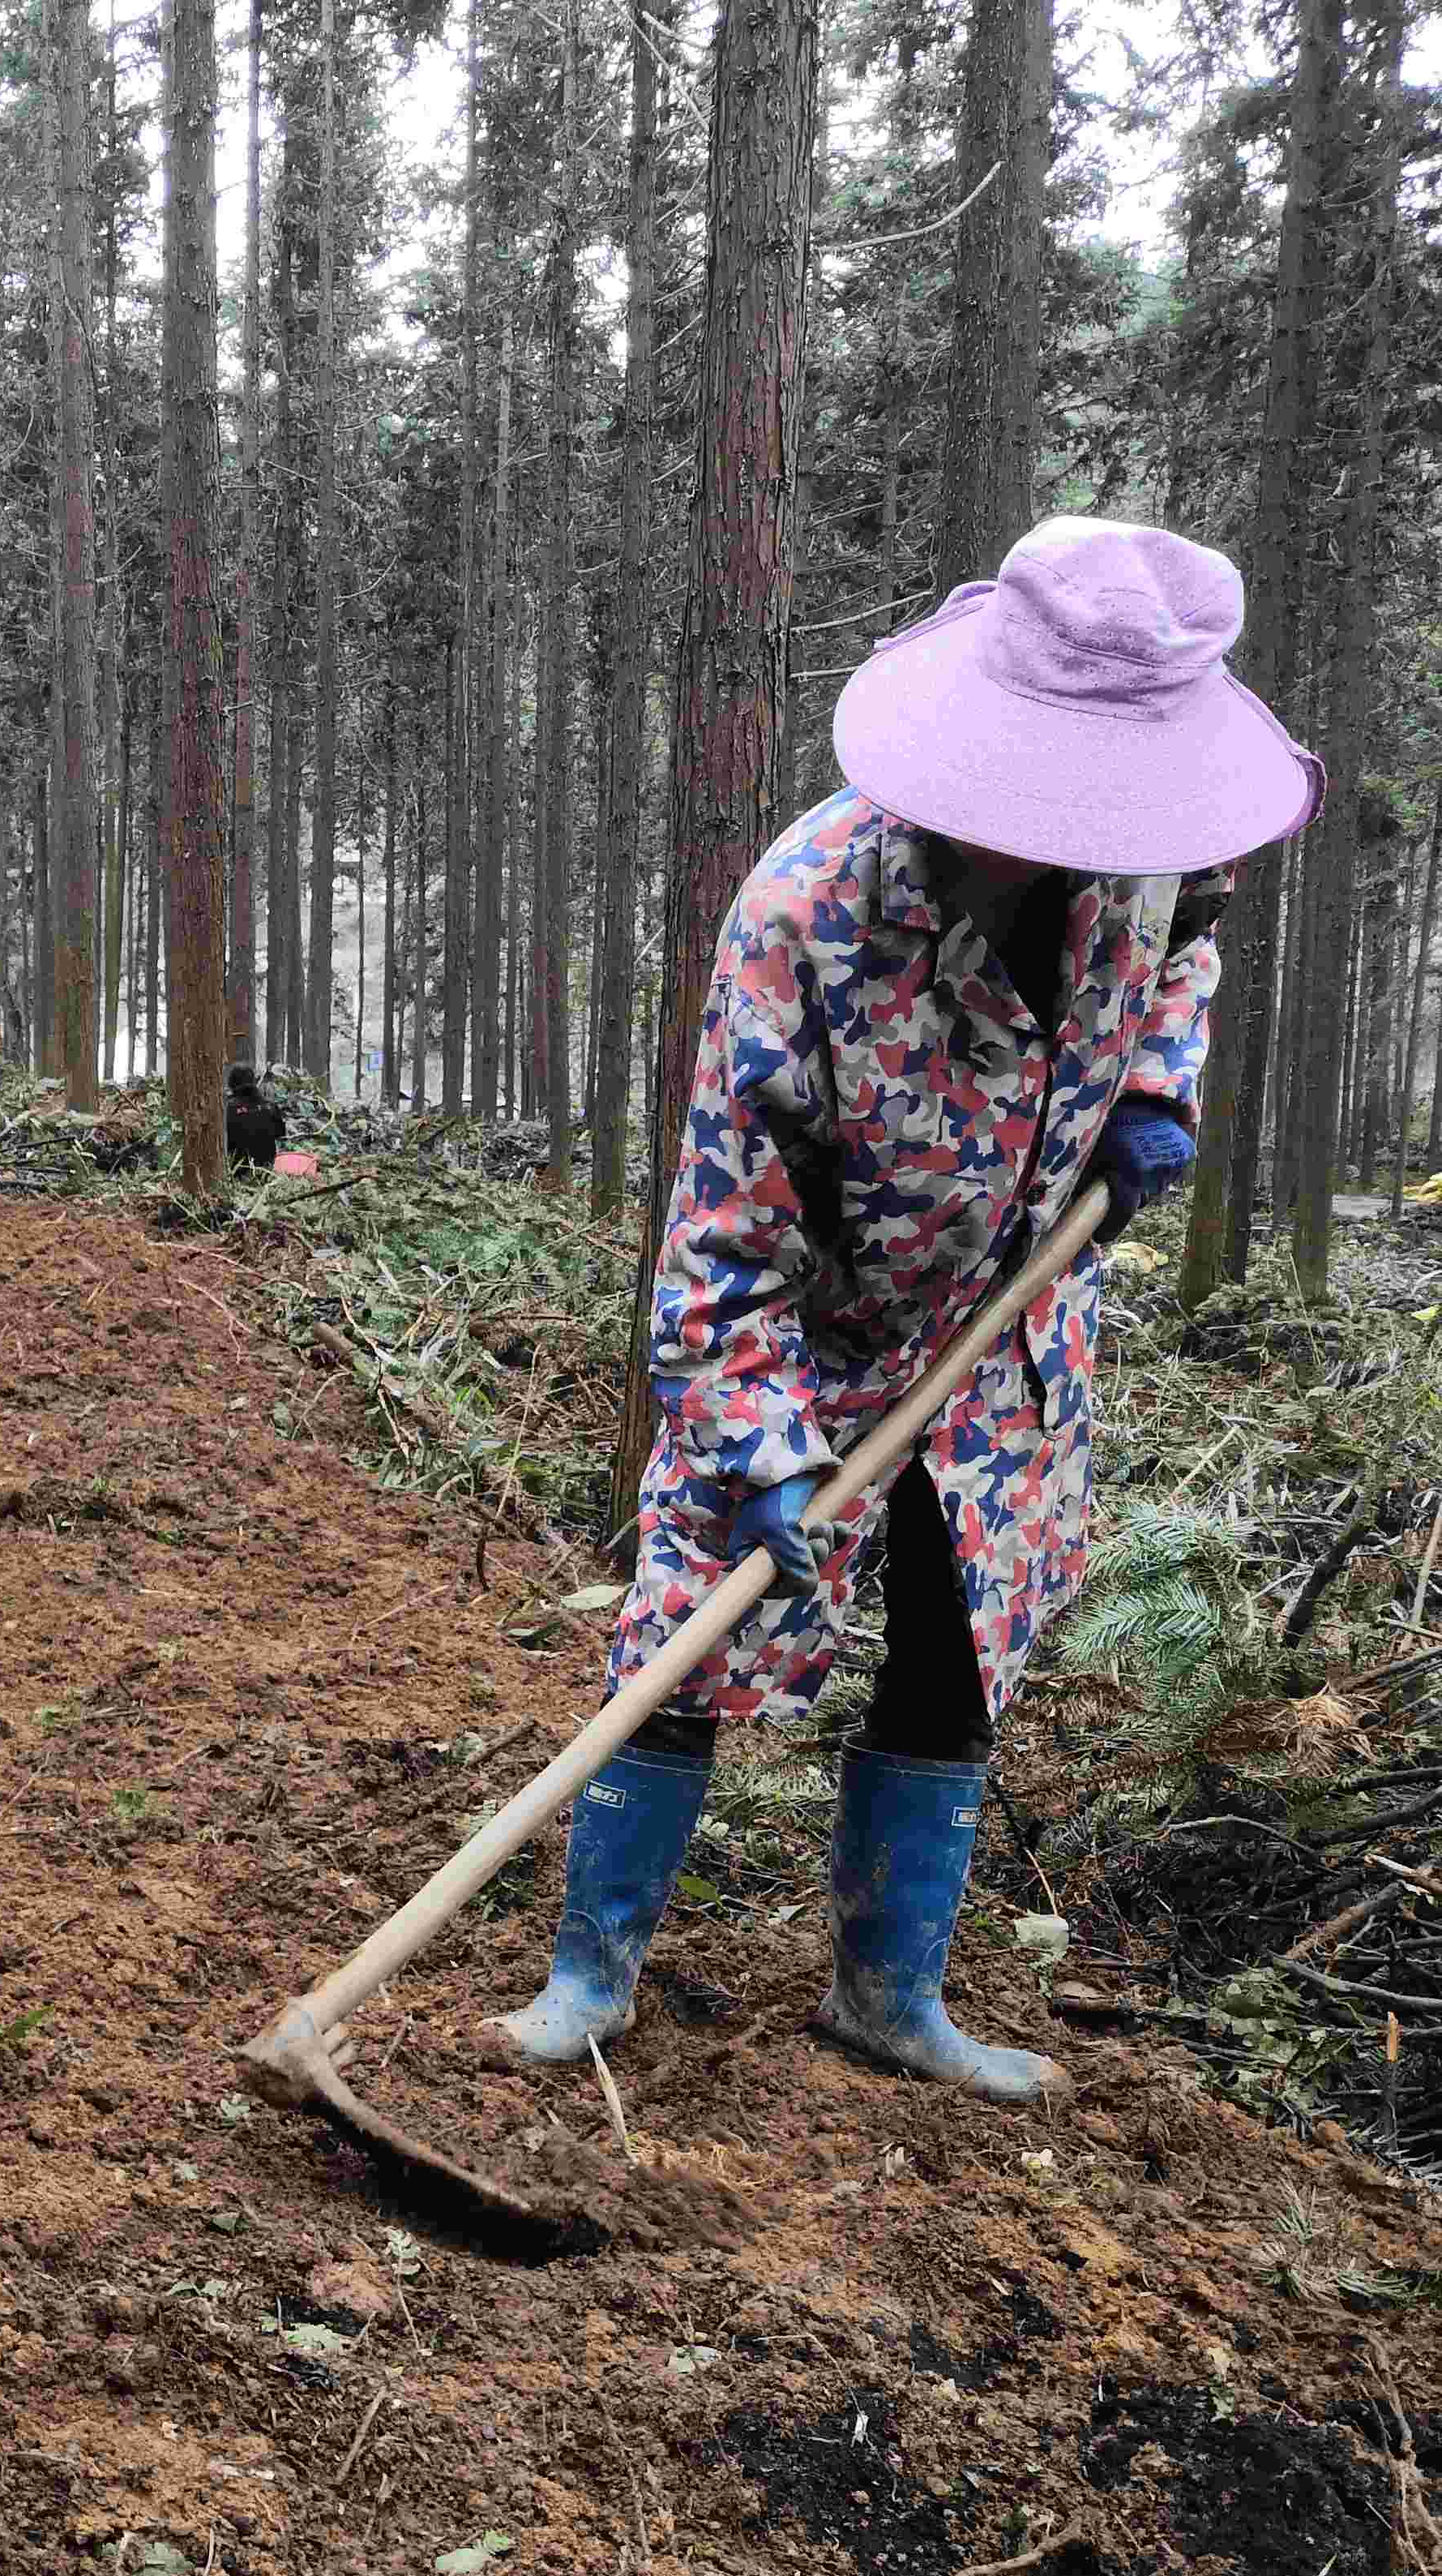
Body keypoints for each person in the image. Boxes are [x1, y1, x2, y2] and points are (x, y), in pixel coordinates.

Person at [492, 518, 1316, 2102]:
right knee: (694, 1621)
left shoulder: (1158, 872)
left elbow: (1183, 981)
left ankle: (889, 1994)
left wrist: (1154, 1098)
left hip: (1012, 1327)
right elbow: (723, 1229)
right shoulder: (804, 915)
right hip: (817, 1323)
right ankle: (589, 1979)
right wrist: (768, 1445)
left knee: (955, 1628)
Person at [224, 1065, 288, 1173]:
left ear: (231, 1084)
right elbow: (281, 1134)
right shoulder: (270, 1106)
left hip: (237, 1172)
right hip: (266, 1171)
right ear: (254, 1082)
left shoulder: (227, 1109)